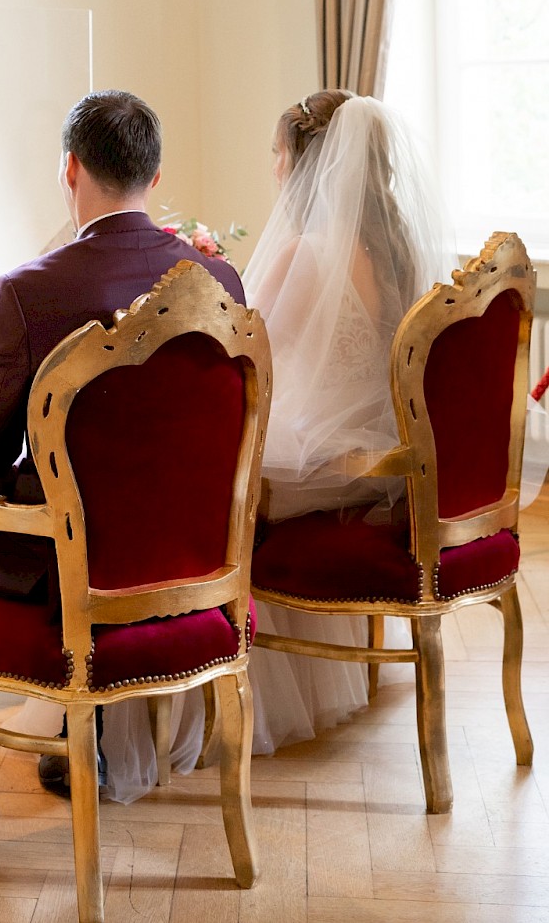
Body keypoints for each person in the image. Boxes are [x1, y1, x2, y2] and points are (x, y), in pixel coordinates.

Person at [0, 89, 245, 831]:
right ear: (154, 179)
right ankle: (71, 732)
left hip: (61, 559)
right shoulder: (219, 284)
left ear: (69, 169)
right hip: (193, 554)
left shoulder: (34, 288)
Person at [243, 89, 446, 753]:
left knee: (217, 483)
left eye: (278, 153)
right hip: (387, 461)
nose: (274, 167)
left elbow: (246, 362)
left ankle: (218, 685)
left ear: (307, 165)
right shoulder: (399, 251)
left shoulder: (308, 252)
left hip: (329, 463)